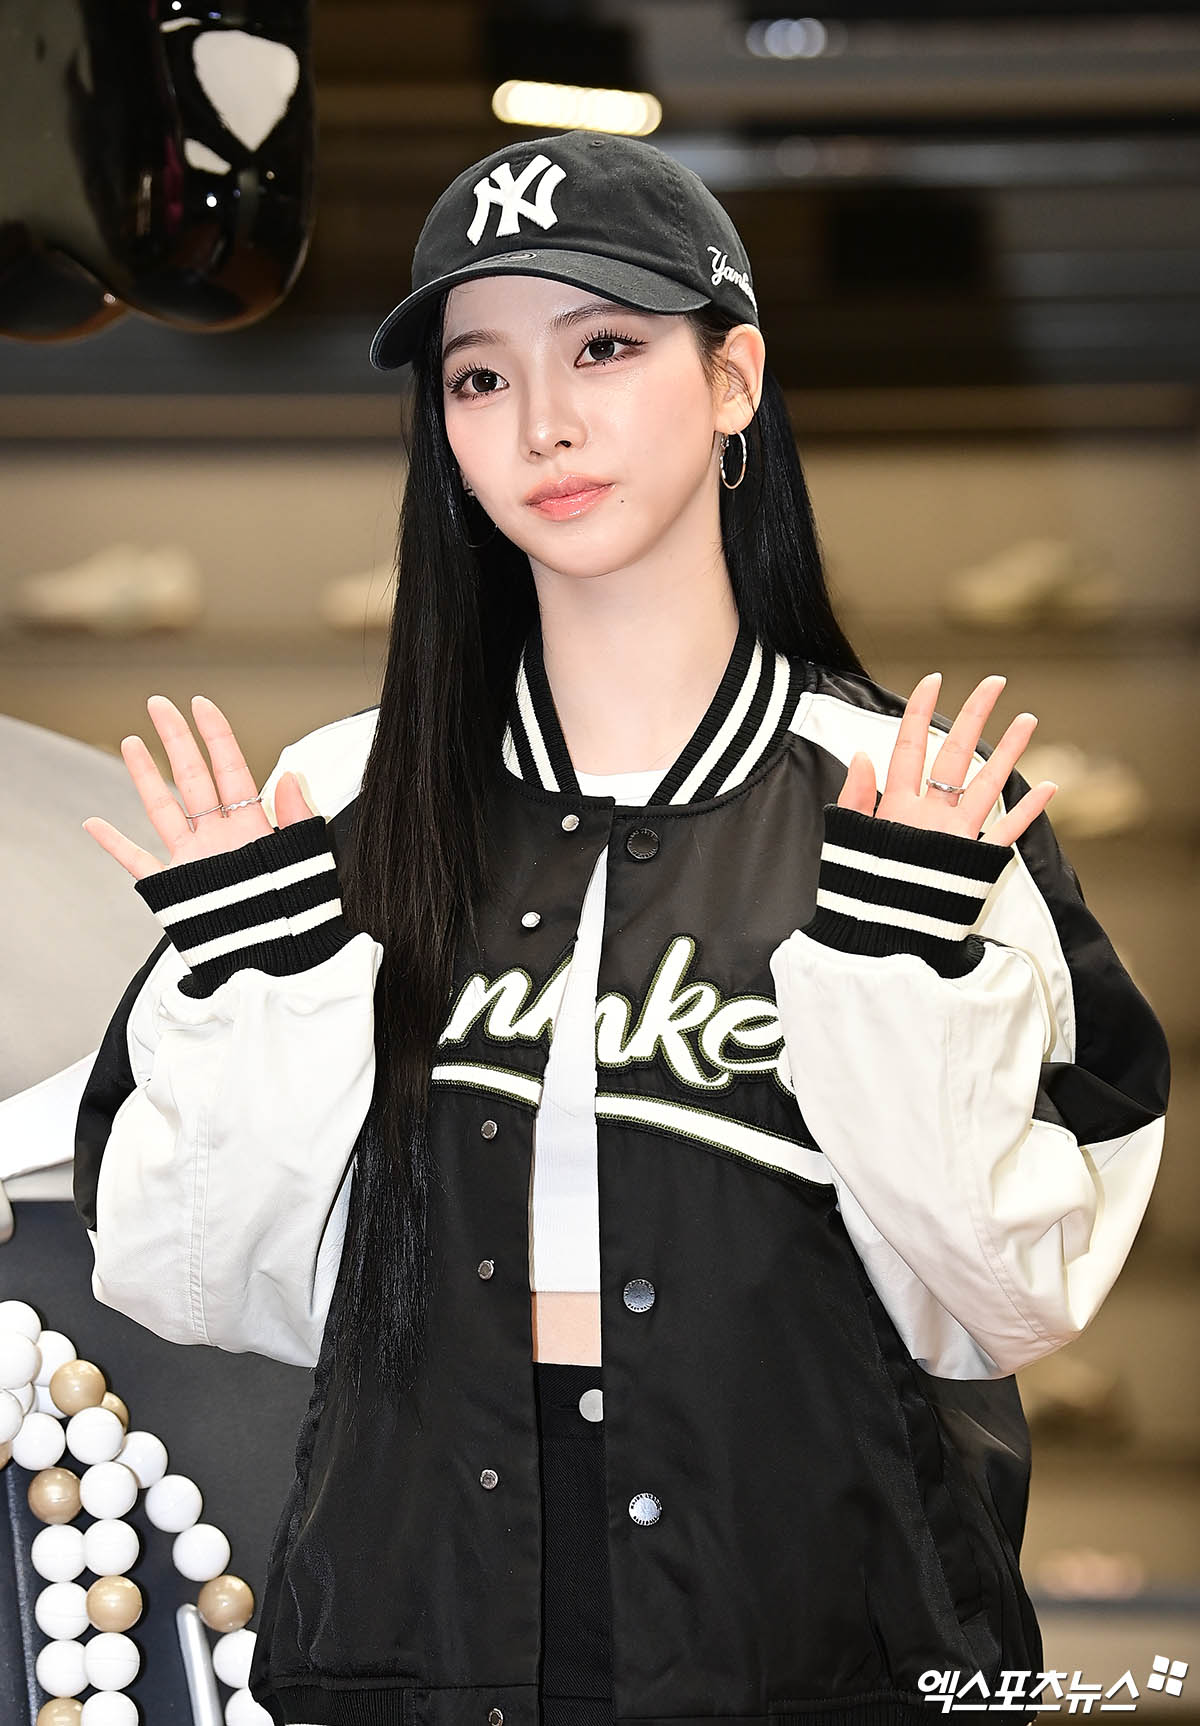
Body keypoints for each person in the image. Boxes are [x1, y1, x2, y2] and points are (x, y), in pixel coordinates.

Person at [75, 130, 1170, 1726]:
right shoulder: (336, 800)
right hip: (426, 1636)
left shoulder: (910, 801)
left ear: (734, 379)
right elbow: (195, 1279)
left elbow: (1008, 1299)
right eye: (479, 376)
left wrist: (893, 964)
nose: (544, 421)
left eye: (603, 347)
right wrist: (272, 971)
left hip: (819, 1635)